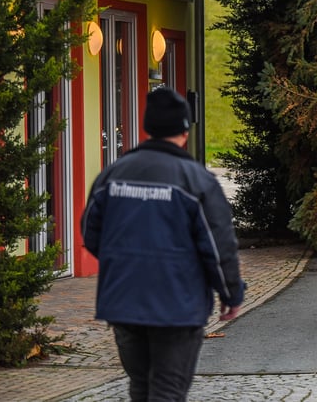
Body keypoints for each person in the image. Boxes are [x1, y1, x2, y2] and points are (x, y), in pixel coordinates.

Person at [81, 87, 244, 401]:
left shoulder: (113, 174)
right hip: (177, 305)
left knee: (140, 386)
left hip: (123, 300)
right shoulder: (196, 180)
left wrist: (124, 263)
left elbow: (91, 232)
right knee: (168, 390)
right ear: (184, 130)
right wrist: (231, 293)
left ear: (148, 127)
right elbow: (218, 244)